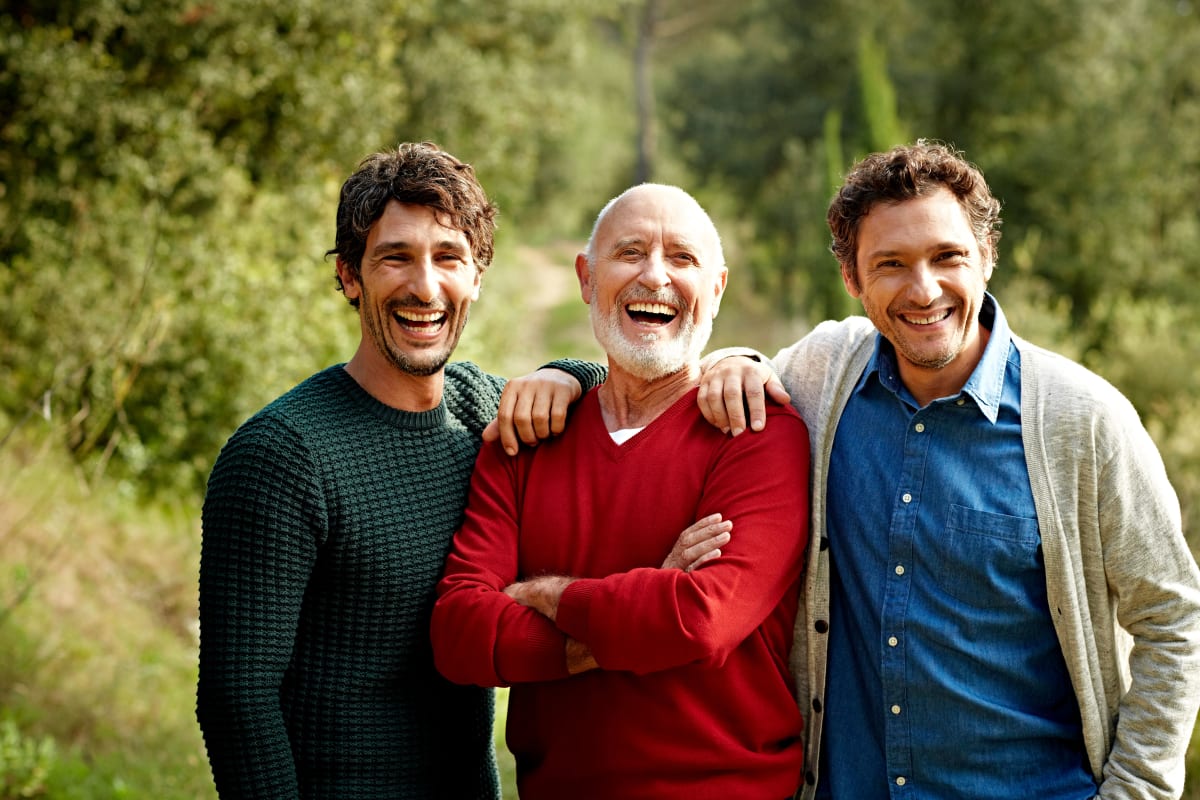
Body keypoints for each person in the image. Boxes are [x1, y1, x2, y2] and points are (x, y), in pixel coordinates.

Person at [699, 141, 1200, 799]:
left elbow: (1172, 619)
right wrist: (732, 358)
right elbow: (727, 373)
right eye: (891, 264)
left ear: (987, 257)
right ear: (853, 279)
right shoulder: (823, 375)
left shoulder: (1084, 420)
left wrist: (1135, 790)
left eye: (948, 257)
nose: (924, 289)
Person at [194, 142, 613, 798]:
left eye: (449, 258)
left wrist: (567, 372)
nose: (425, 286)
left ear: (476, 277)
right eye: (396, 257)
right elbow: (238, 703)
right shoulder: (282, 456)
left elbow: (619, 402)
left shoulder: (486, 412)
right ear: (349, 276)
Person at [430, 183, 811, 799]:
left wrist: (543, 593)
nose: (654, 276)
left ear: (716, 288)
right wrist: (641, 609)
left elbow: (699, 619)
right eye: (629, 252)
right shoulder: (525, 438)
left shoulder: (759, 431)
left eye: (682, 258)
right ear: (586, 278)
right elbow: (459, 632)